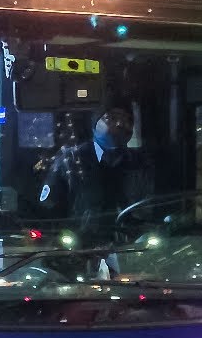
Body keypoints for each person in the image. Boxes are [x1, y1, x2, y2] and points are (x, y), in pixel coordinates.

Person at [37, 104, 150, 246]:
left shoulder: (140, 162)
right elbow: (49, 206)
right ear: (94, 125)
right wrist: (64, 238)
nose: (121, 124)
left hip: (130, 248)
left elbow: (147, 204)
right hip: (79, 248)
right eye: (111, 118)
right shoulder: (71, 159)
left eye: (127, 120)